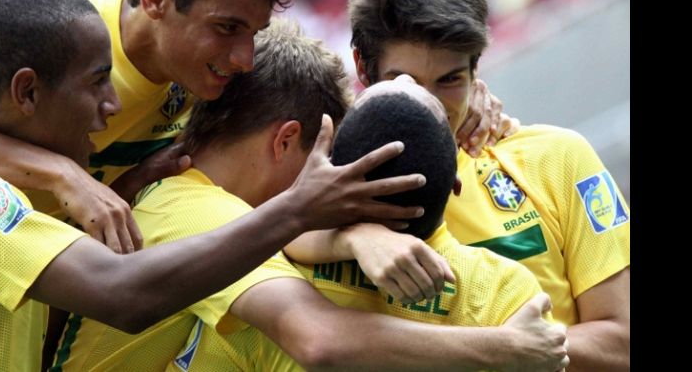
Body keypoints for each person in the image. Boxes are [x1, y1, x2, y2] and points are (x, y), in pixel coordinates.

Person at [0, 0, 510, 255]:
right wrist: (61, 175)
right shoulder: (56, 35)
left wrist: (445, 104)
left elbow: (324, 123)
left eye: (253, 34)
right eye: (227, 27)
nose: (244, 58)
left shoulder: (210, 82)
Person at [49, 18, 568, 372]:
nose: (328, 180)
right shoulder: (192, 208)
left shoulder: (213, 207)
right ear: (286, 141)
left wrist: (353, 235)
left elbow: (291, 237)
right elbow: (317, 336)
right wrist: (506, 348)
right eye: (325, 157)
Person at [0, 0, 429, 372]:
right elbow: (122, 293)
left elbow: (48, 310)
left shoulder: (144, 184)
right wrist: (300, 208)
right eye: (98, 81)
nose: (114, 104)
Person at [341, 0, 630, 371]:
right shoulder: (332, 186)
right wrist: (350, 234)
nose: (431, 103)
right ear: (363, 69)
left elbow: (621, 342)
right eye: (406, 80)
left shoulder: (559, 158)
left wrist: (505, 346)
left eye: (450, 80)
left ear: (477, 71)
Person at [184, 75, 567, 372]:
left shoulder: (270, 268)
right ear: (455, 182)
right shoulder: (508, 297)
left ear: (338, 169)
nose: (406, 81)